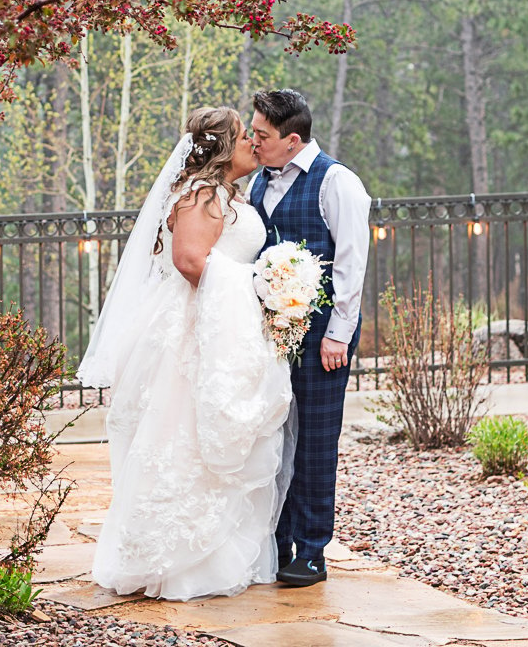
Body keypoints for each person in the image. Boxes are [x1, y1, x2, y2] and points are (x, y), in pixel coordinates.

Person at [76, 106, 294, 601]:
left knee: (206, 440)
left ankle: (217, 556)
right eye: (244, 138)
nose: (253, 145)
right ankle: (173, 562)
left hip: (224, 326)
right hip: (196, 332)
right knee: (184, 437)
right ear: (222, 149)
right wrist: (262, 287)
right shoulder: (202, 196)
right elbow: (191, 261)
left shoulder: (223, 195)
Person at [248, 89, 372, 587]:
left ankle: (314, 550)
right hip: (269, 333)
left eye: (262, 135)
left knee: (316, 442)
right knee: (273, 437)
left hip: (323, 334)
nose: (253, 143)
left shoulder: (337, 182)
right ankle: (276, 542)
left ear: (292, 139)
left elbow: (351, 264)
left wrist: (338, 335)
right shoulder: (259, 179)